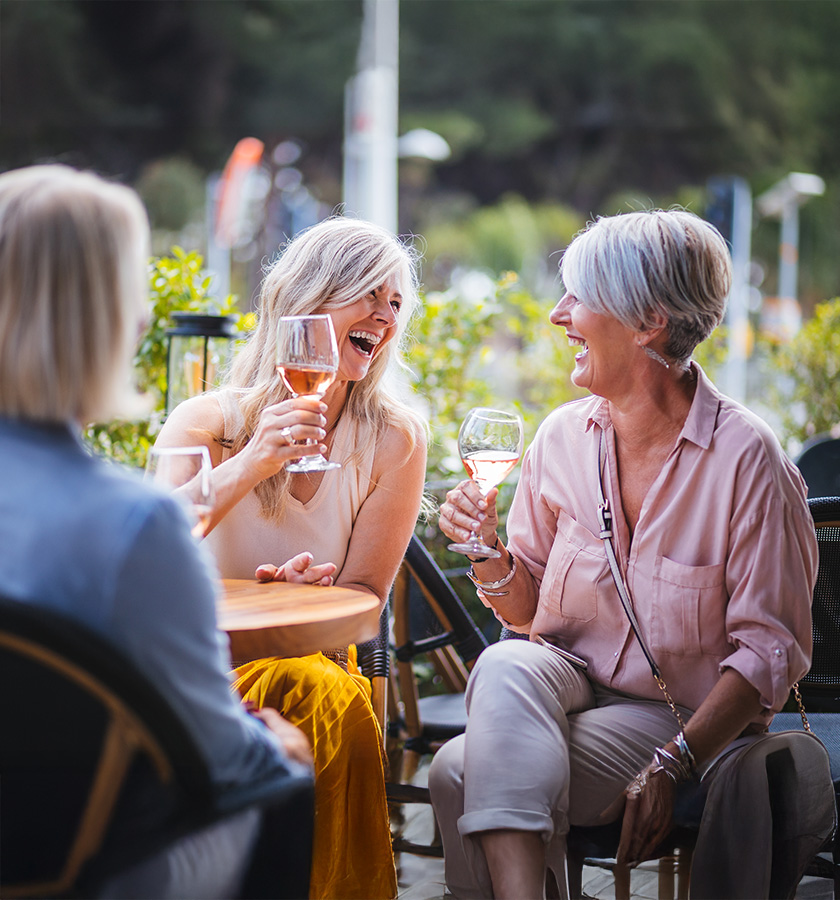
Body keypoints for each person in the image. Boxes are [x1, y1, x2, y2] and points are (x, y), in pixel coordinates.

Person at [431, 209, 834, 899]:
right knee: (506, 659)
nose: (558, 314)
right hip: (564, 690)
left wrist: (676, 762)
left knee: (457, 771)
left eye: (578, 296)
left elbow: (770, 650)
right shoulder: (559, 440)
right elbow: (527, 617)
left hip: (684, 718)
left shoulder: (748, 462)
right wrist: (487, 551)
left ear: (648, 323)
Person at [0, 164, 314, 898]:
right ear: (109, 321)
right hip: (72, 863)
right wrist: (280, 744)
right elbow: (219, 761)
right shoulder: (137, 525)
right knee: (284, 775)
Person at [153, 215, 428, 900]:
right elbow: (156, 551)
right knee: (318, 698)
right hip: (204, 674)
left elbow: (365, 593)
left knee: (315, 688)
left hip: (317, 666)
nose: (385, 317)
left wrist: (306, 596)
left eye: (396, 304)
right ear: (306, 303)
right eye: (369, 294)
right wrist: (251, 461)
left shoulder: (395, 438)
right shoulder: (207, 423)